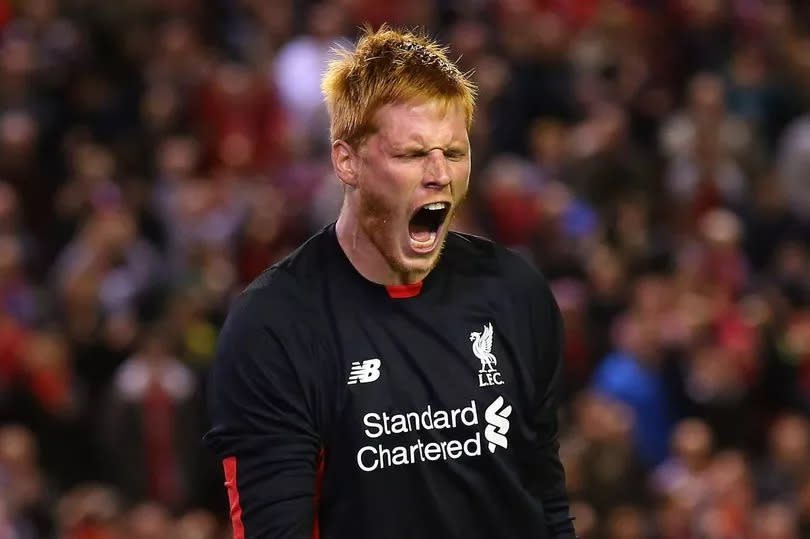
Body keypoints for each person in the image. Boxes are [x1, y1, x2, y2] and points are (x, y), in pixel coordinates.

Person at [204, 25, 576, 539]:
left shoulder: (515, 292)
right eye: (410, 154)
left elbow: (546, 503)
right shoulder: (275, 326)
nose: (438, 174)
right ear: (347, 161)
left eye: (454, 152)